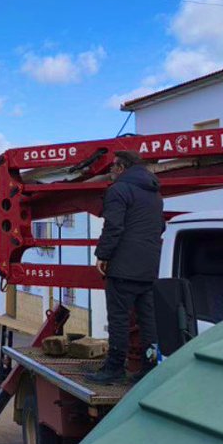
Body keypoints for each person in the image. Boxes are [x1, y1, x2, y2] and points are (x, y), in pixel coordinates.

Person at [87, 150, 164, 385]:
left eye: (112, 168)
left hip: (123, 267)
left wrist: (103, 255)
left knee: (119, 318)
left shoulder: (118, 190)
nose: (110, 172)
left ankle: (114, 368)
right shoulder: (155, 193)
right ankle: (150, 366)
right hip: (149, 266)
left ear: (121, 167)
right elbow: (159, 226)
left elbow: (114, 226)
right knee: (148, 320)